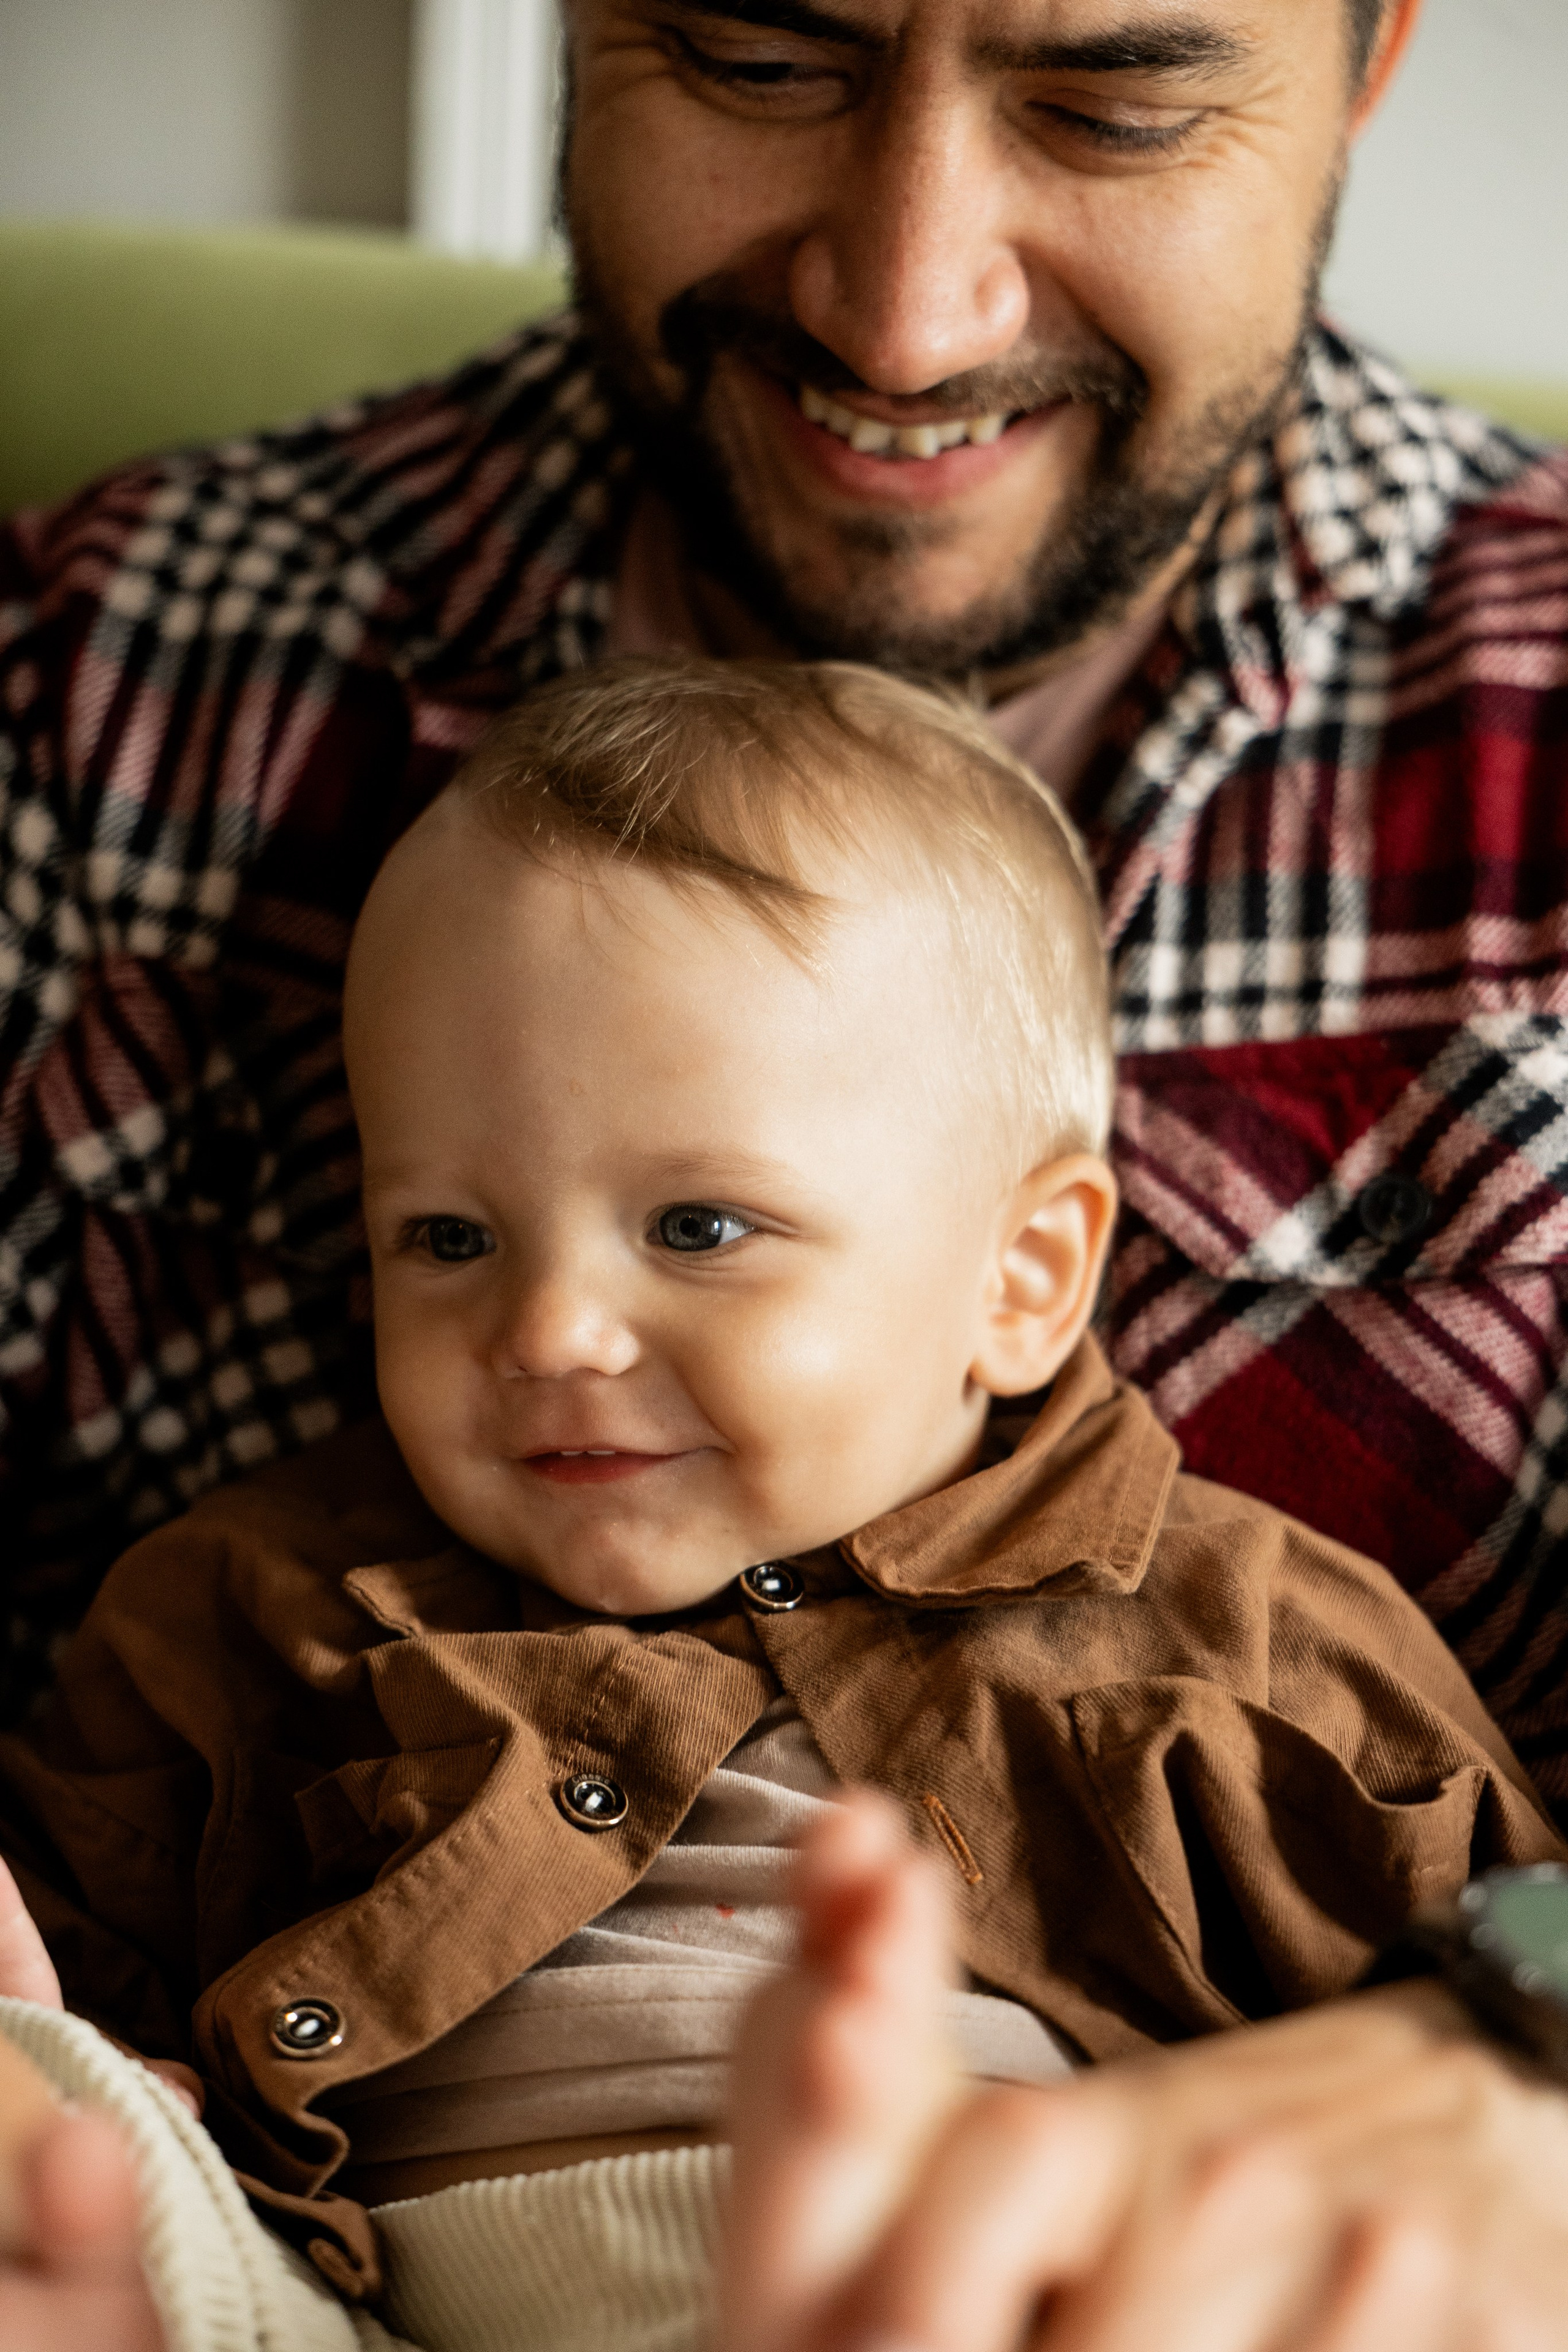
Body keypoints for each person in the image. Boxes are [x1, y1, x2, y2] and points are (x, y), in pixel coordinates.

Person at [0, 660, 1561, 2352]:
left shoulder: (1246, 1633)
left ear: (1022, 1277)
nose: (546, 1334)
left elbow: (1481, 2034)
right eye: (449, 1239)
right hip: (339, 2302)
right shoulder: (249, 1605)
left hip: (982, 2279)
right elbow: (83, 1975)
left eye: (697, 1230)